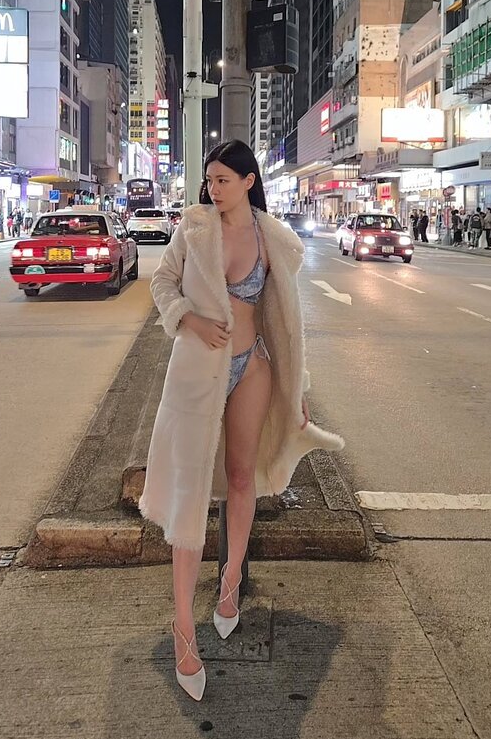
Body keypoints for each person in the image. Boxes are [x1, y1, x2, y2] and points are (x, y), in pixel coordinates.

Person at [139, 140, 343, 702]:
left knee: (240, 477)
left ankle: (230, 582)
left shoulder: (273, 238)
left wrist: (296, 390)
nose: (213, 189)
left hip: (252, 366)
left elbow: (285, 324)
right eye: (209, 180)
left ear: (249, 181)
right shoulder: (194, 228)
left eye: (223, 180)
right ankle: (184, 629)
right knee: (188, 495)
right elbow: (162, 284)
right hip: (196, 373)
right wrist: (189, 319)